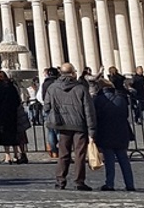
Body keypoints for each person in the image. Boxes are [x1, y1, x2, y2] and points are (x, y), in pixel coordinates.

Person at [45, 62, 97, 191]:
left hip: (62, 125)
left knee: (63, 154)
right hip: (79, 125)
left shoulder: (52, 88)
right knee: (79, 155)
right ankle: (79, 182)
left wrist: (55, 116)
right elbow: (89, 111)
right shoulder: (81, 88)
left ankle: (60, 181)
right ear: (73, 73)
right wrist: (92, 130)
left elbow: (46, 107)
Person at [93, 75, 136, 192]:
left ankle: (110, 183)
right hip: (122, 132)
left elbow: (96, 117)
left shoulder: (98, 100)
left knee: (109, 160)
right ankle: (130, 184)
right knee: (124, 160)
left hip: (106, 131)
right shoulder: (122, 98)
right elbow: (126, 115)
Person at [0, 70, 23, 164]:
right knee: (14, 134)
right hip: (12, 113)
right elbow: (18, 100)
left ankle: (7, 156)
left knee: (4, 135)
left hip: (0, 115)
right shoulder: (11, 86)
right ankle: (16, 155)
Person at [39, 67, 61, 158]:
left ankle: (54, 151)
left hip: (48, 109)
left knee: (51, 131)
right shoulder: (59, 83)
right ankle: (62, 149)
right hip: (59, 108)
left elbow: (43, 96)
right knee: (59, 130)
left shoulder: (45, 83)